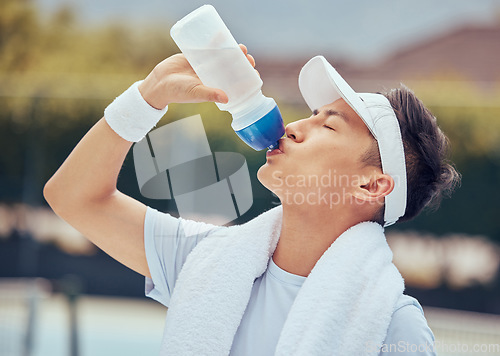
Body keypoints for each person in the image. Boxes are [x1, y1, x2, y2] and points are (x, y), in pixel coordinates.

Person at [44, 45, 459, 355]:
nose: (294, 126)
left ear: (371, 186)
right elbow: (73, 196)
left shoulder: (392, 324)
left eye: (328, 126)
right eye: (311, 114)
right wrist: (149, 95)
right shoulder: (206, 262)